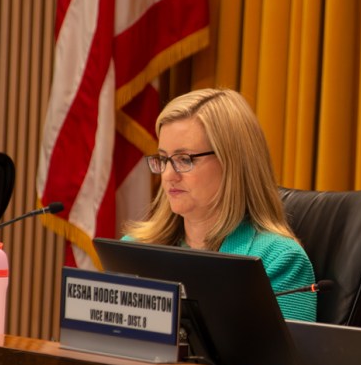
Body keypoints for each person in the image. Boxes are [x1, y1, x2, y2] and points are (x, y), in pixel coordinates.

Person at [122, 88, 316, 322]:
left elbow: (280, 348)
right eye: (163, 159)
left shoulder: (279, 260)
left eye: (184, 159)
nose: (168, 175)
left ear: (232, 162)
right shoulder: (134, 249)